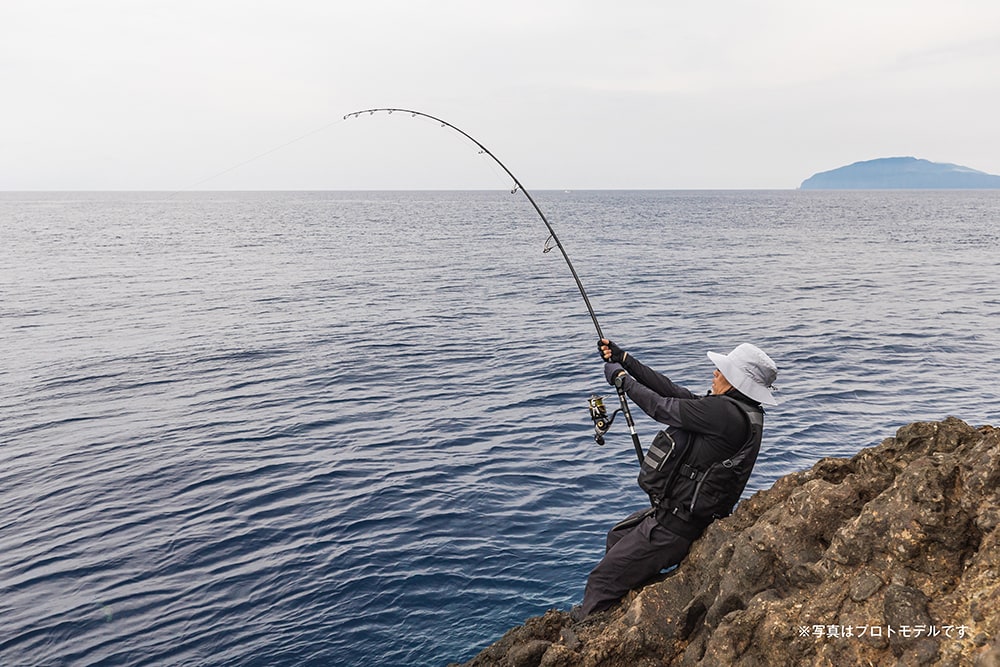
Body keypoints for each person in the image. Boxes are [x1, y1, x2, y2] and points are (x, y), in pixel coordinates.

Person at [576, 338, 778, 618]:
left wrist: (623, 381)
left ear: (737, 381)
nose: (715, 373)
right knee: (617, 537)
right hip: (679, 516)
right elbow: (672, 390)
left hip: (675, 527)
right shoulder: (740, 412)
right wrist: (625, 360)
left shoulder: (723, 414)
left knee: (600, 581)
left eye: (722, 371)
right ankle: (624, 607)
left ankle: (589, 635)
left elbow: (661, 406)